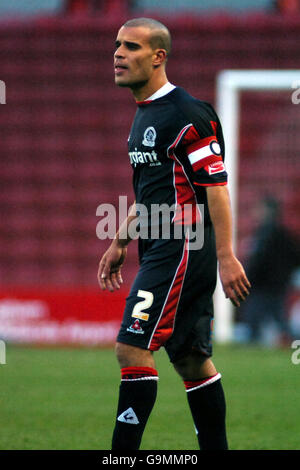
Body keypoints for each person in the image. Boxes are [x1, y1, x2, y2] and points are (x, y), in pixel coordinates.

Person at [97, 17, 251, 451]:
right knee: (190, 359)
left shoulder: (187, 114)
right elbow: (153, 194)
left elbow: (215, 188)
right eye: (117, 45)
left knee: (131, 346)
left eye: (131, 47)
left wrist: (226, 255)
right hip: (163, 245)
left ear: (158, 57)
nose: (118, 54)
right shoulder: (146, 115)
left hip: (182, 247)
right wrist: (121, 239)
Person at [242, 197, 300, 344]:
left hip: (262, 287)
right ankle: (292, 344)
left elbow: (258, 261)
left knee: (253, 320)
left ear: (267, 211)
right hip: (279, 286)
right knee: (280, 320)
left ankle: (253, 347)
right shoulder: (286, 234)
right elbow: (295, 258)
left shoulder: (264, 234)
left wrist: (248, 279)